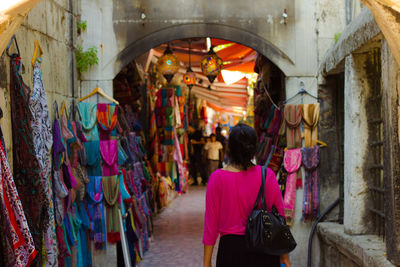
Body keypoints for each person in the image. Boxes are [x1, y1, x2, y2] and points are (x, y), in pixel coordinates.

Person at [203, 123, 291, 267]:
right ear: (254, 149)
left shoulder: (216, 178)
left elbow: (210, 226)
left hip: (230, 251)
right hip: (265, 247)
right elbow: (280, 218)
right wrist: (285, 258)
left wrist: (206, 263)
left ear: (229, 148)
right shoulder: (267, 175)